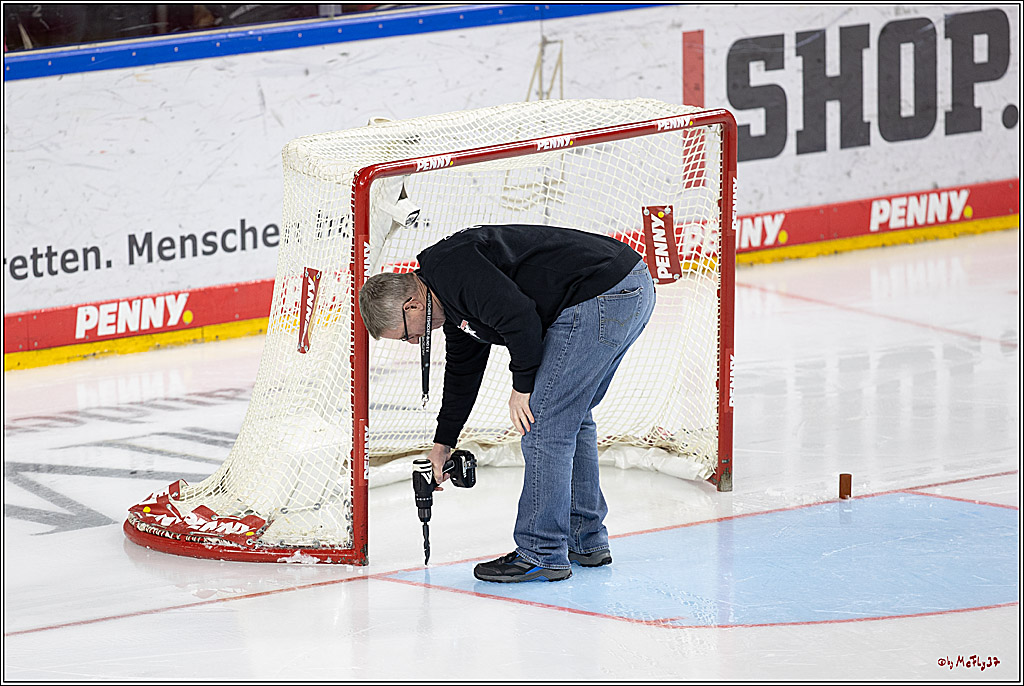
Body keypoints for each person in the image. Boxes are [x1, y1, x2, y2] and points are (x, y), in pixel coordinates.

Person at [358, 224, 655, 582]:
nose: (412, 342)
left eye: (406, 334)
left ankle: (541, 551)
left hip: (602, 293)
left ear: (413, 305)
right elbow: (462, 373)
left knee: (542, 424)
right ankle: (585, 540)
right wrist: (443, 444)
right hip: (624, 288)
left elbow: (520, 318)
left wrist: (522, 386)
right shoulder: (448, 297)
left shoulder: (453, 271)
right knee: (570, 418)